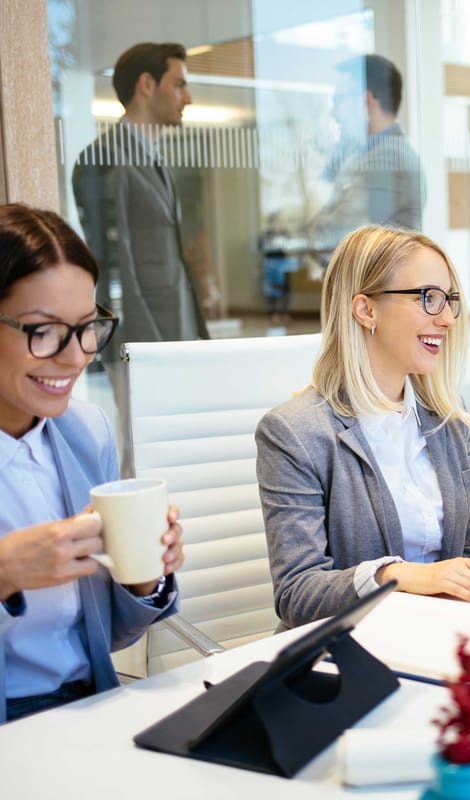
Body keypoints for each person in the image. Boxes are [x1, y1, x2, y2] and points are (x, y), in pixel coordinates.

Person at [256, 225, 470, 629]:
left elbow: (469, 550)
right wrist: (398, 575)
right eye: (428, 298)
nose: (446, 318)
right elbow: (296, 594)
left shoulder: (446, 416)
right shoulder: (293, 433)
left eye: (449, 300)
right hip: (351, 655)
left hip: (438, 637)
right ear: (366, 310)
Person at [0, 203, 184, 724]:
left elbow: (111, 635)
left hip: (91, 703)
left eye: (86, 327)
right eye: (43, 330)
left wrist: (143, 578)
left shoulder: (84, 432)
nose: (76, 356)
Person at [72, 42, 210, 473]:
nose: (187, 97)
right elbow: (114, 268)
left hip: (174, 336)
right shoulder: (103, 159)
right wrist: (143, 352)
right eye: (179, 84)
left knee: (177, 452)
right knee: (142, 455)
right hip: (143, 342)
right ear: (146, 85)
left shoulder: (153, 157)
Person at [309, 54, 426, 254]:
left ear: (366, 101)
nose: (333, 113)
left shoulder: (388, 157)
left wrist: (313, 223)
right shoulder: (368, 154)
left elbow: (336, 235)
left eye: (338, 100)